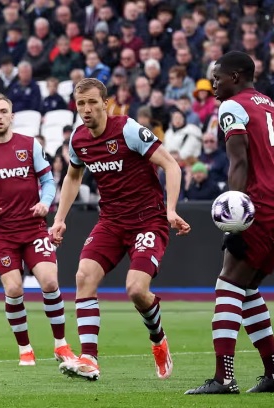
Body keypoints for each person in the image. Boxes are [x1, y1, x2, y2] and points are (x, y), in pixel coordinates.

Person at [49, 77, 191, 381]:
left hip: (147, 220)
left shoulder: (127, 129)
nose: (86, 109)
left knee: (136, 290)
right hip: (111, 222)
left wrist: (170, 210)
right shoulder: (79, 140)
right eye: (80, 104)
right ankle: (89, 358)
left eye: (91, 103)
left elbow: (171, 165)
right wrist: (60, 218)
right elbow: (73, 178)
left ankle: (158, 339)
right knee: (83, 276)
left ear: (105, 103)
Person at [186, 52, 274, 395]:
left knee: (227, 283)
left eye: (218, 78)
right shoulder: (269, 104)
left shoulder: (232, 107)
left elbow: (238, 163)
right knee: (246, 285)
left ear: (236, 77)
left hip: (266, 199)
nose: (213, 86)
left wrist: (233, 222)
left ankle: (223, 377)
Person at [0, 94, 77, 366]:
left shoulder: (29, 146)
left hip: (34, 228)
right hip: (3, 234)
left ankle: (61, 345)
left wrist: (44, 202)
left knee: (50, 282)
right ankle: (25, 347)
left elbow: (49, 182)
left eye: (4, 111)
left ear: (12, 115)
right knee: (14, 290)